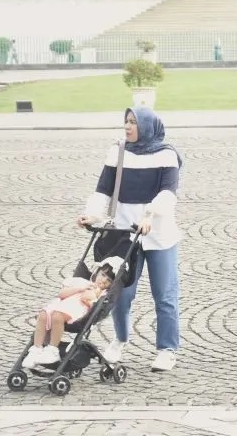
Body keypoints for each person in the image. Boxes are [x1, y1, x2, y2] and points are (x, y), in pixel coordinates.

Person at [77, 107, 182, 372]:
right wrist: (91, 214)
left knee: (165, 294)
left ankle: (167, 349)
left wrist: (150, 214)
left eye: (133, 122)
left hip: (159, 234)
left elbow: (168, 193)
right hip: (124, 234)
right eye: (126, 121)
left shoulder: (166, 154)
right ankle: (120, 340)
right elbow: (103, 190)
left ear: (147, 126)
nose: (127, 126)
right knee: (120, 293)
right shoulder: (118, 151)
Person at [22, 263, 116, 369]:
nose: (103, 280)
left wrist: (92, 298)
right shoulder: (81, 282)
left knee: (57, 316)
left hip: (77, 309)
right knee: (43, 315)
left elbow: (93, 306)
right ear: (97, 272)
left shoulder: (103, 293)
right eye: (103, 275)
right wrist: (81, 289)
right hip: (62, 304)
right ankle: (36, 350)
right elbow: (62, 294)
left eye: (108, 280)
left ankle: (52, 351)